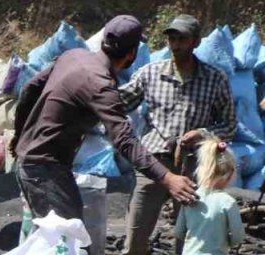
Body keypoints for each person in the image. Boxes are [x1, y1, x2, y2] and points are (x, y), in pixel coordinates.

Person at [113, 14, 237, 255]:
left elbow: (230, 125)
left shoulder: (214, 78)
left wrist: (204, 132)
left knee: (190, 246)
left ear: (195, 42)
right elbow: (117, 103)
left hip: (196, 168)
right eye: (171, 38)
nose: (175, 45)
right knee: (134, 241)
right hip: (154, 165)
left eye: (182, 39)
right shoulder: (150, 73)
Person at [12, 15, 197, 223]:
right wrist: (168, 178)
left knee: (56, 241)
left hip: (33, 163)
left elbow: (30, 89)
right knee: (67, 243)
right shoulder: (101, 85)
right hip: (45, 170)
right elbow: (125, 140)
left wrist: (19, 136)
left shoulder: (73, 56)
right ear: (132, 53)